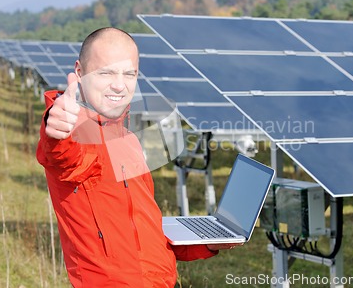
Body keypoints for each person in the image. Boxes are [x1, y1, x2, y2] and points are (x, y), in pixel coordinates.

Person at [36, 27, 237, 287]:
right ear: (80, 72)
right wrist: (56, 127)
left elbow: (146, 231)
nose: (119, 85)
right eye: (106, 72)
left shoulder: (128, 141)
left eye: (129, 74)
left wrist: (205, 244)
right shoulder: (77, 134)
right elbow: (62, 156)